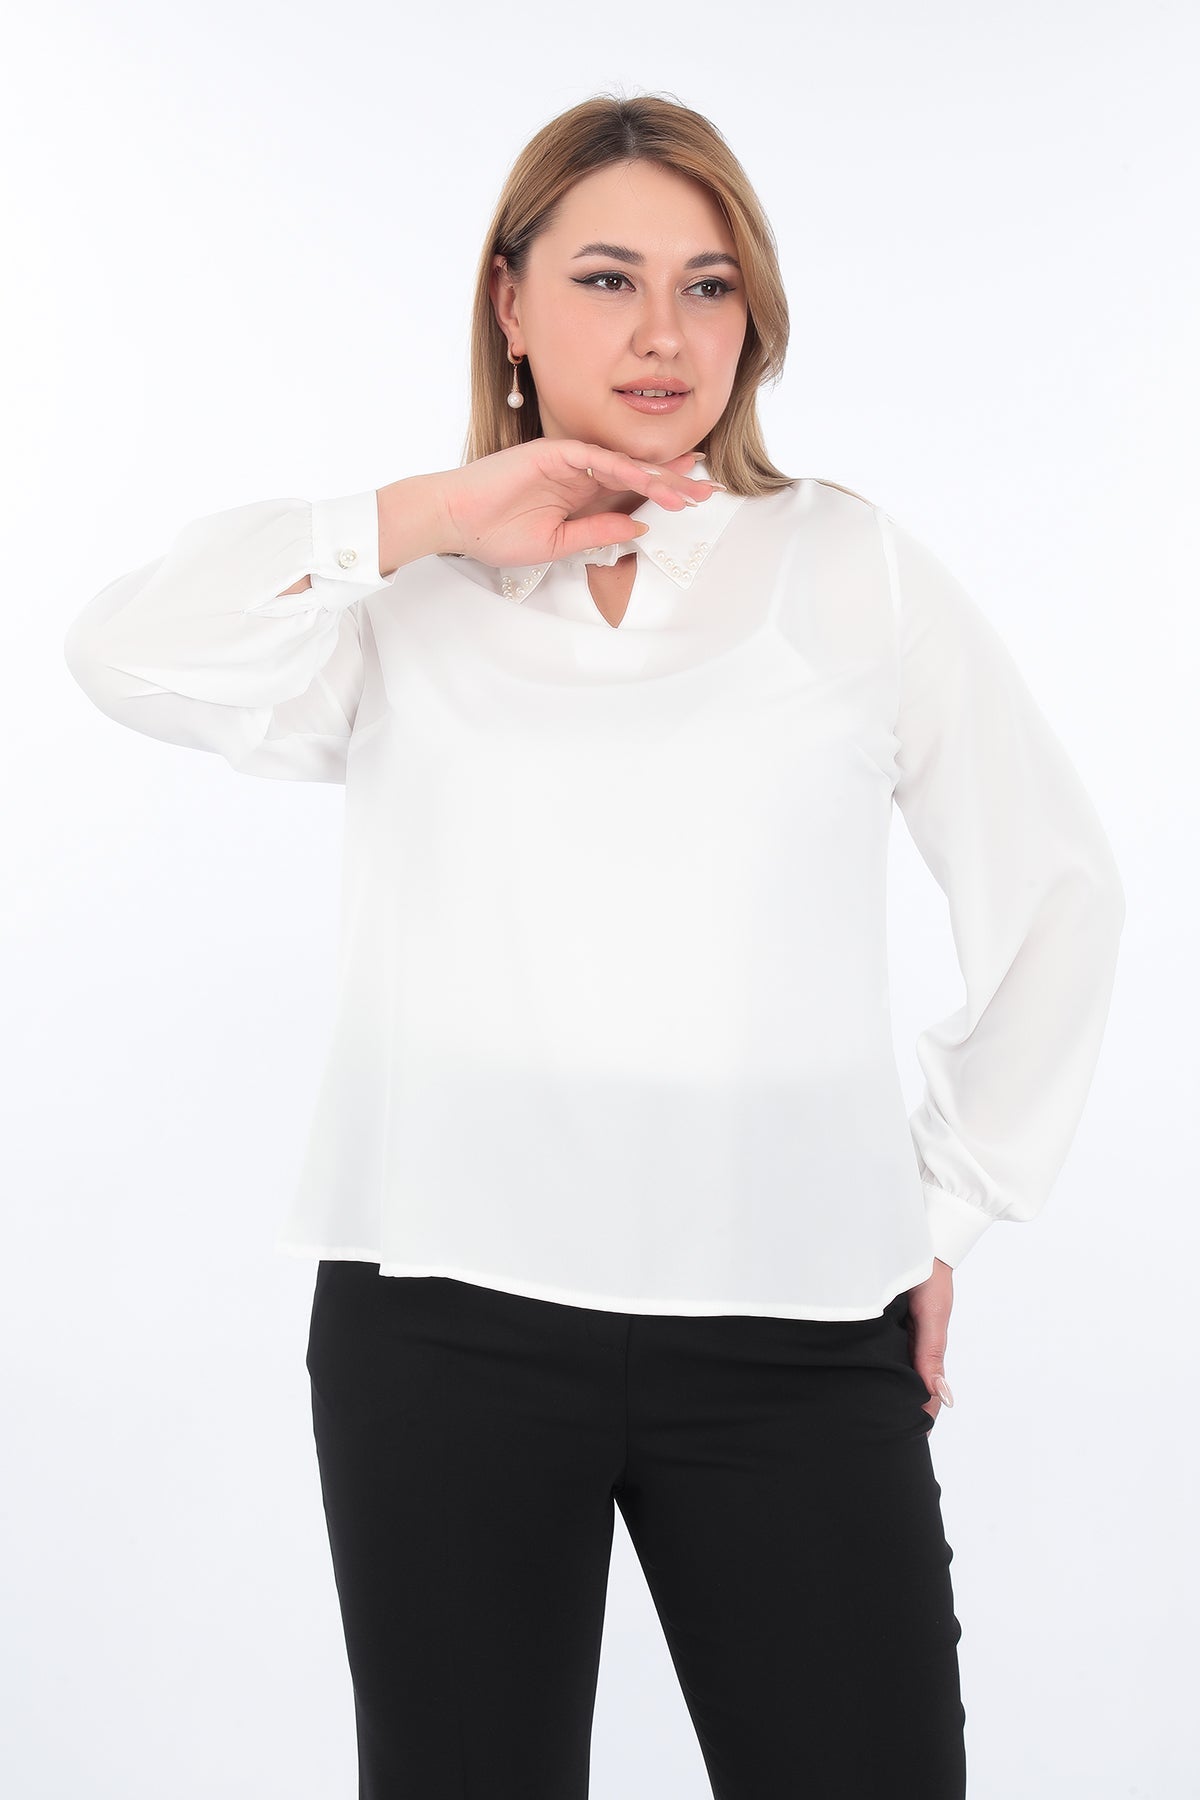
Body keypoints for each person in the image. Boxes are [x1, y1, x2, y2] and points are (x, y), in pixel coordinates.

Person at [63, 91, 1125, 1800]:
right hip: (443, 1323)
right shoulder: (407, 601)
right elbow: (123, 651)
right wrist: (426, 514)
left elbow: (1059, 888)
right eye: (609, 278)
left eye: (709, 286)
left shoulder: (850, 567)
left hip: (794, 1335)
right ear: (510, 301)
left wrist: (943, 1206)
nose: (662, 335)